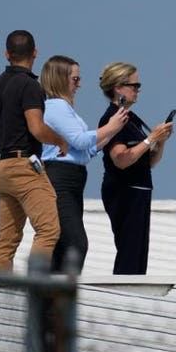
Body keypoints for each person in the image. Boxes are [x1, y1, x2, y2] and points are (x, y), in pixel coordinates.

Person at [0, 30, 68, 272]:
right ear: (35, 53)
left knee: (6, 241)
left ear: (7, 54)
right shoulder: (30, 86)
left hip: (1, 169)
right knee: (48, 230)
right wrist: (60, 141)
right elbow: (36, 128)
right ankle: (35, 289)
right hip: (24, 167)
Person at [39, 55, 129, 273]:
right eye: (75, 80)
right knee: (75, 244)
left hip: (72, 178)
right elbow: (80, 140)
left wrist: (112, 130)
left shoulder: (66, 109)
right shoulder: (56, 107)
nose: (79, 85)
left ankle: (54, 297)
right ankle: (59, 298)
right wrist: (110, 128)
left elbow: (85, 150)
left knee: (64, 244)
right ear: (60, 79)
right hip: (60, 178)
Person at [98, 62, 174, 275]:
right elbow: (121, 159)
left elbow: (148, 161)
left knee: (139, 254)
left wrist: (161, 141)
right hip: (125, 193)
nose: (138, 89)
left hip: (139, 191)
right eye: (134, 85)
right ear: (118, 87)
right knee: (129, 253)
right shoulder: (113, 119)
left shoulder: (131, 119)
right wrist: (151, 139)